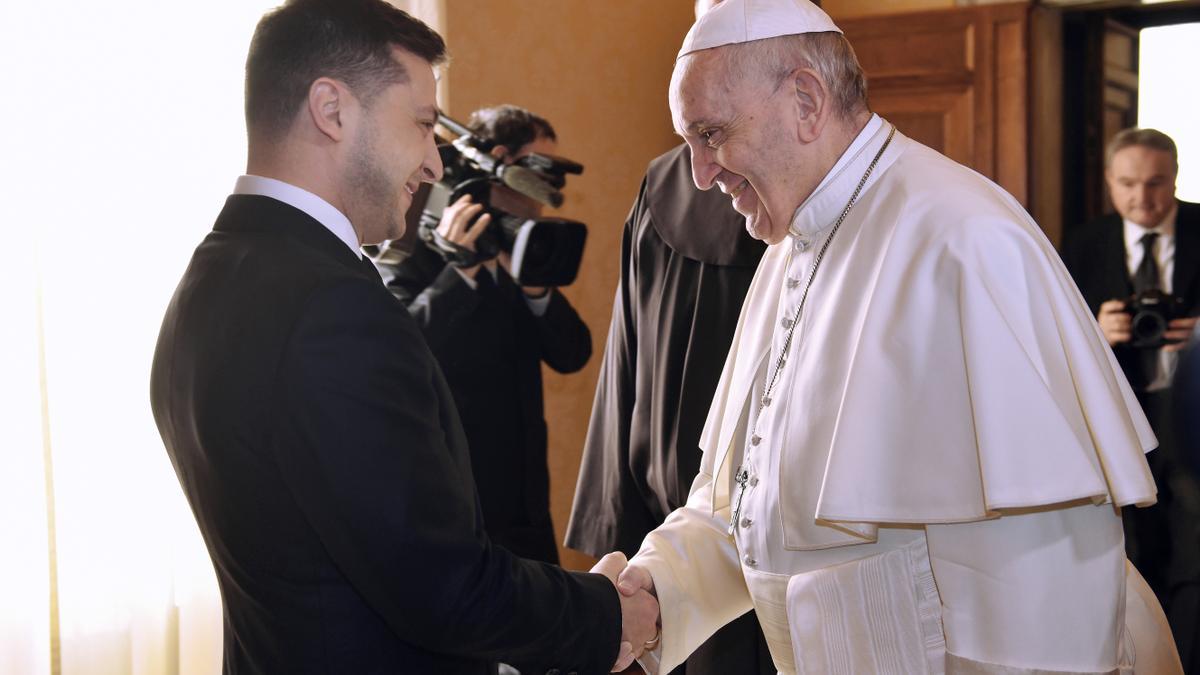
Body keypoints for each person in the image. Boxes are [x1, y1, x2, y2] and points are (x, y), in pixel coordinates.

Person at [602, 1, 1179, 673]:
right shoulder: (788, 252)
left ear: (807, 100)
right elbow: (760, 503)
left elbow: (1046, 584)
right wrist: (661, 586)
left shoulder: (963, 240)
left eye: (712, 133)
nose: (700, 172)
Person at [148, 1, 656, 673]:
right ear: (331, 110)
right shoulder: (330, 309)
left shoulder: (208, 278)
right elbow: (441, 585)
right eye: (422, 124)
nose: (434, 163)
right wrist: (606, 612)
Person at [564, 140, 774, 675]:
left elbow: (623, 364)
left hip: (677, 518)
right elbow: (627, 348)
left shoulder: (667, 183)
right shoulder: (808, 185)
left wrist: (614, 522)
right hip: (730, 528)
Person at [383, 105, 590, 566]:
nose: (548, 190)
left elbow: (573, 352)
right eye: (540, 171)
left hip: (528, 508)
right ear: (498, 161)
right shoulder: (413, 243)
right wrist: (463, 272)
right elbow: (403, 350)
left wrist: (536, 289)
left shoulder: (524, 251)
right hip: (453, 508)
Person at [1061, 127, 1200, 668]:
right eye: (1128, 184)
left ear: (1176, 177)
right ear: (1109, 184)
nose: (1144, 198)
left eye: (1157, 183)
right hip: (1117, 421)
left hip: (1188, 417)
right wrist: (1097, 327)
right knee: (1130, 550)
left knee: (1192, 551)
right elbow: (1057, 334)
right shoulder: (1082, 242)